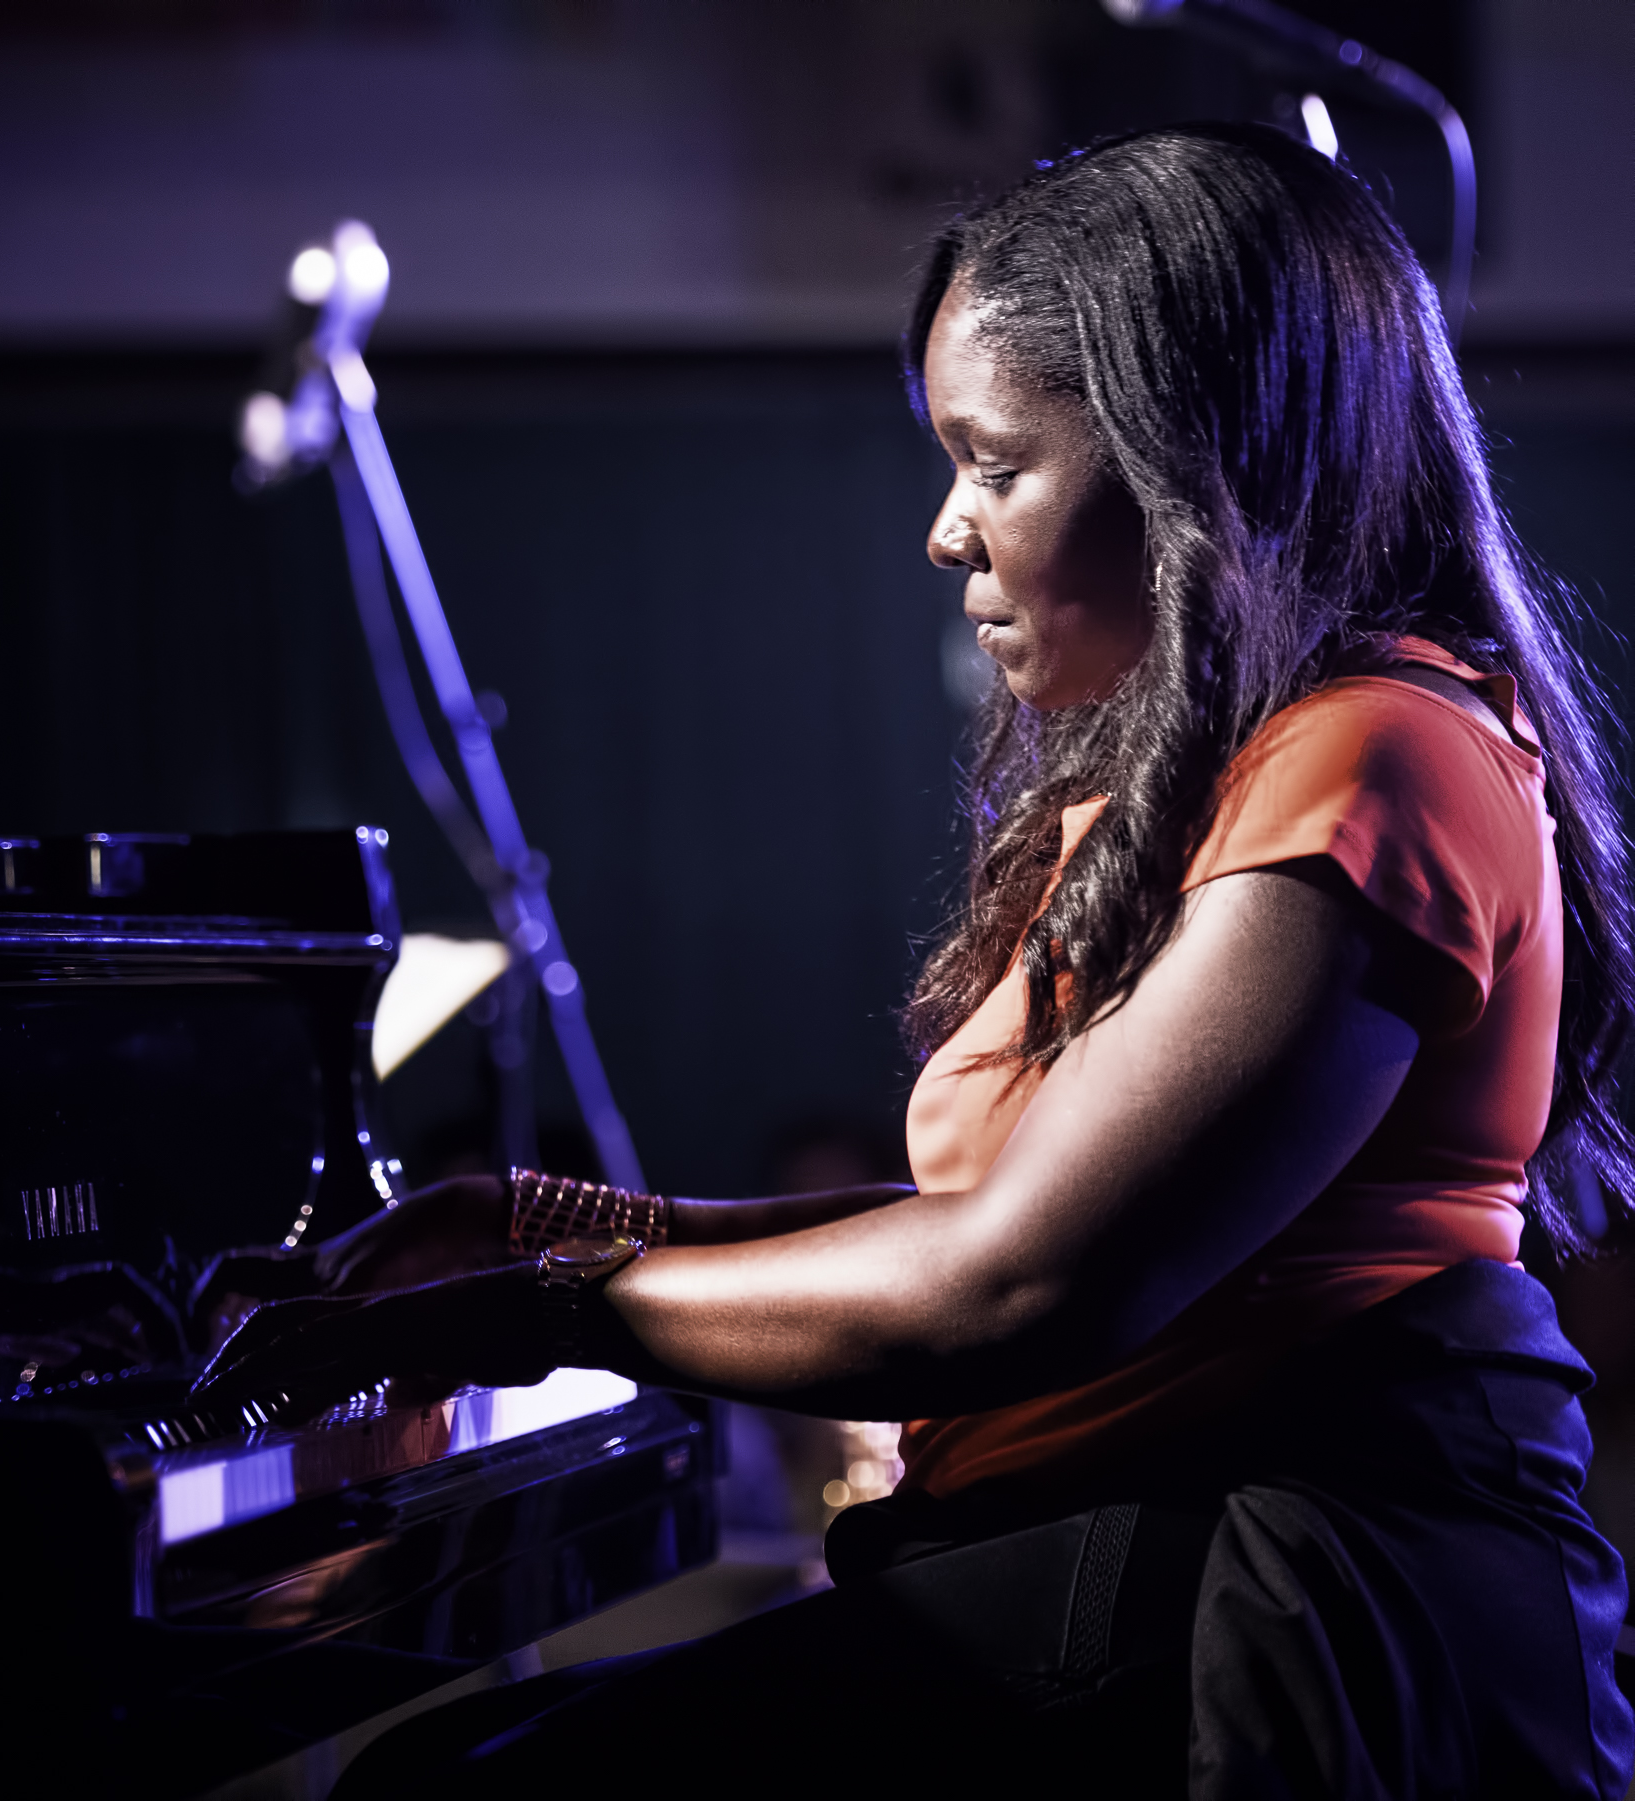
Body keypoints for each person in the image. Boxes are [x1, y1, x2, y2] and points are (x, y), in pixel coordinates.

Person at [191, 123, 1635, 1796]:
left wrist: (540, 1304)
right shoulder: (1200, 777)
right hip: (1140, 1556)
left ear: (1191, 461)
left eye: (993, 461)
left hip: (1292, 1593)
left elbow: (1026, 1277)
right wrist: (543, 1225)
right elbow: (972, 1229)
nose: (948, 532)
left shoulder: (1381, 749)